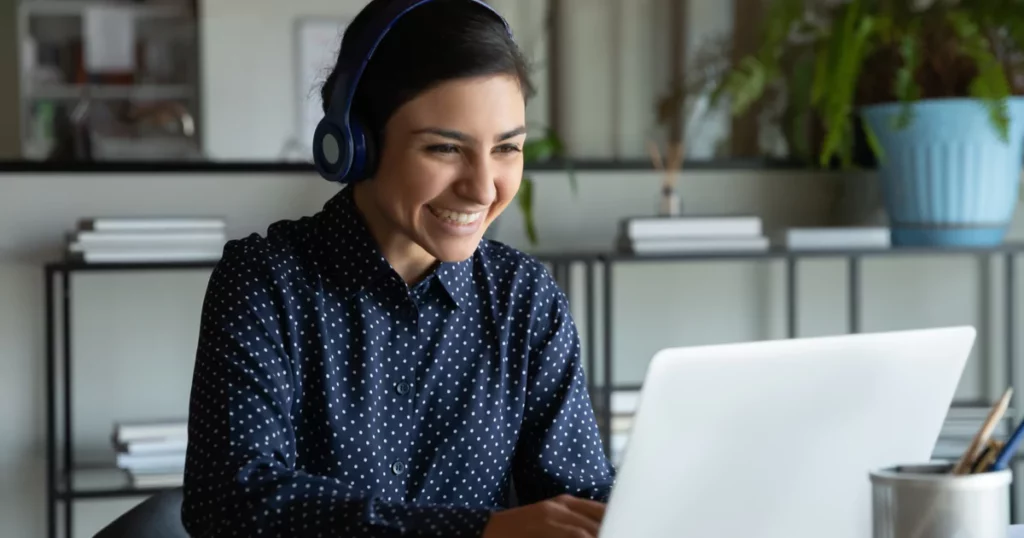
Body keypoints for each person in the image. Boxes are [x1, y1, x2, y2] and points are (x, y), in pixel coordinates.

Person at [180, 1, 615, 536]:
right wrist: (478, 532)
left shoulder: (522, 295)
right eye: (444, 148)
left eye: (507, 148)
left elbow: (579, 495)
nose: (483, 188)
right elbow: (231, 502)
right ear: (356, 146)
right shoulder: (266, 283)